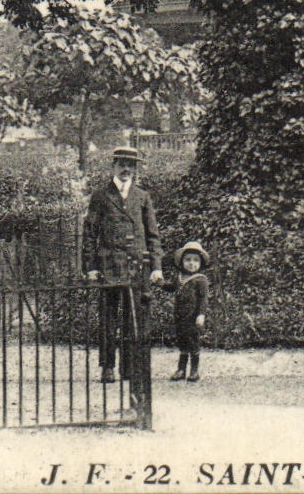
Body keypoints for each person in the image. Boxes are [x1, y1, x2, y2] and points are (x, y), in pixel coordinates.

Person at [82, 146, 164, 384]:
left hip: (136, 267)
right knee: (108, 319)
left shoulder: (142, 196)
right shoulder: (100, 196)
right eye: (122, 164)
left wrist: (156, 267)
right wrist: (91, 267)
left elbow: (153, 235)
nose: (127, 169)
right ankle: (107, 366)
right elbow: (89, 233)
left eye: (132, 165)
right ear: (114, 166)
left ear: (135, 169)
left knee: (133, 318)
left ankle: (128, 367)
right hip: (109, 266)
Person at [168, 241, 210, 383]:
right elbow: (171, 287)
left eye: (195, 260)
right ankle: (181, 370)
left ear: (200, 263)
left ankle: (194, 370)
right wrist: (159, 282)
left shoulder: (200, 280)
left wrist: (201, 314)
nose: (191, 263)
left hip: (193, 318)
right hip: (181, 317)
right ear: (181, 262)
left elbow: (203, 299)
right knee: (182, 342)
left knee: (193, 343)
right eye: (188, 260)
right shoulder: (179, 278)